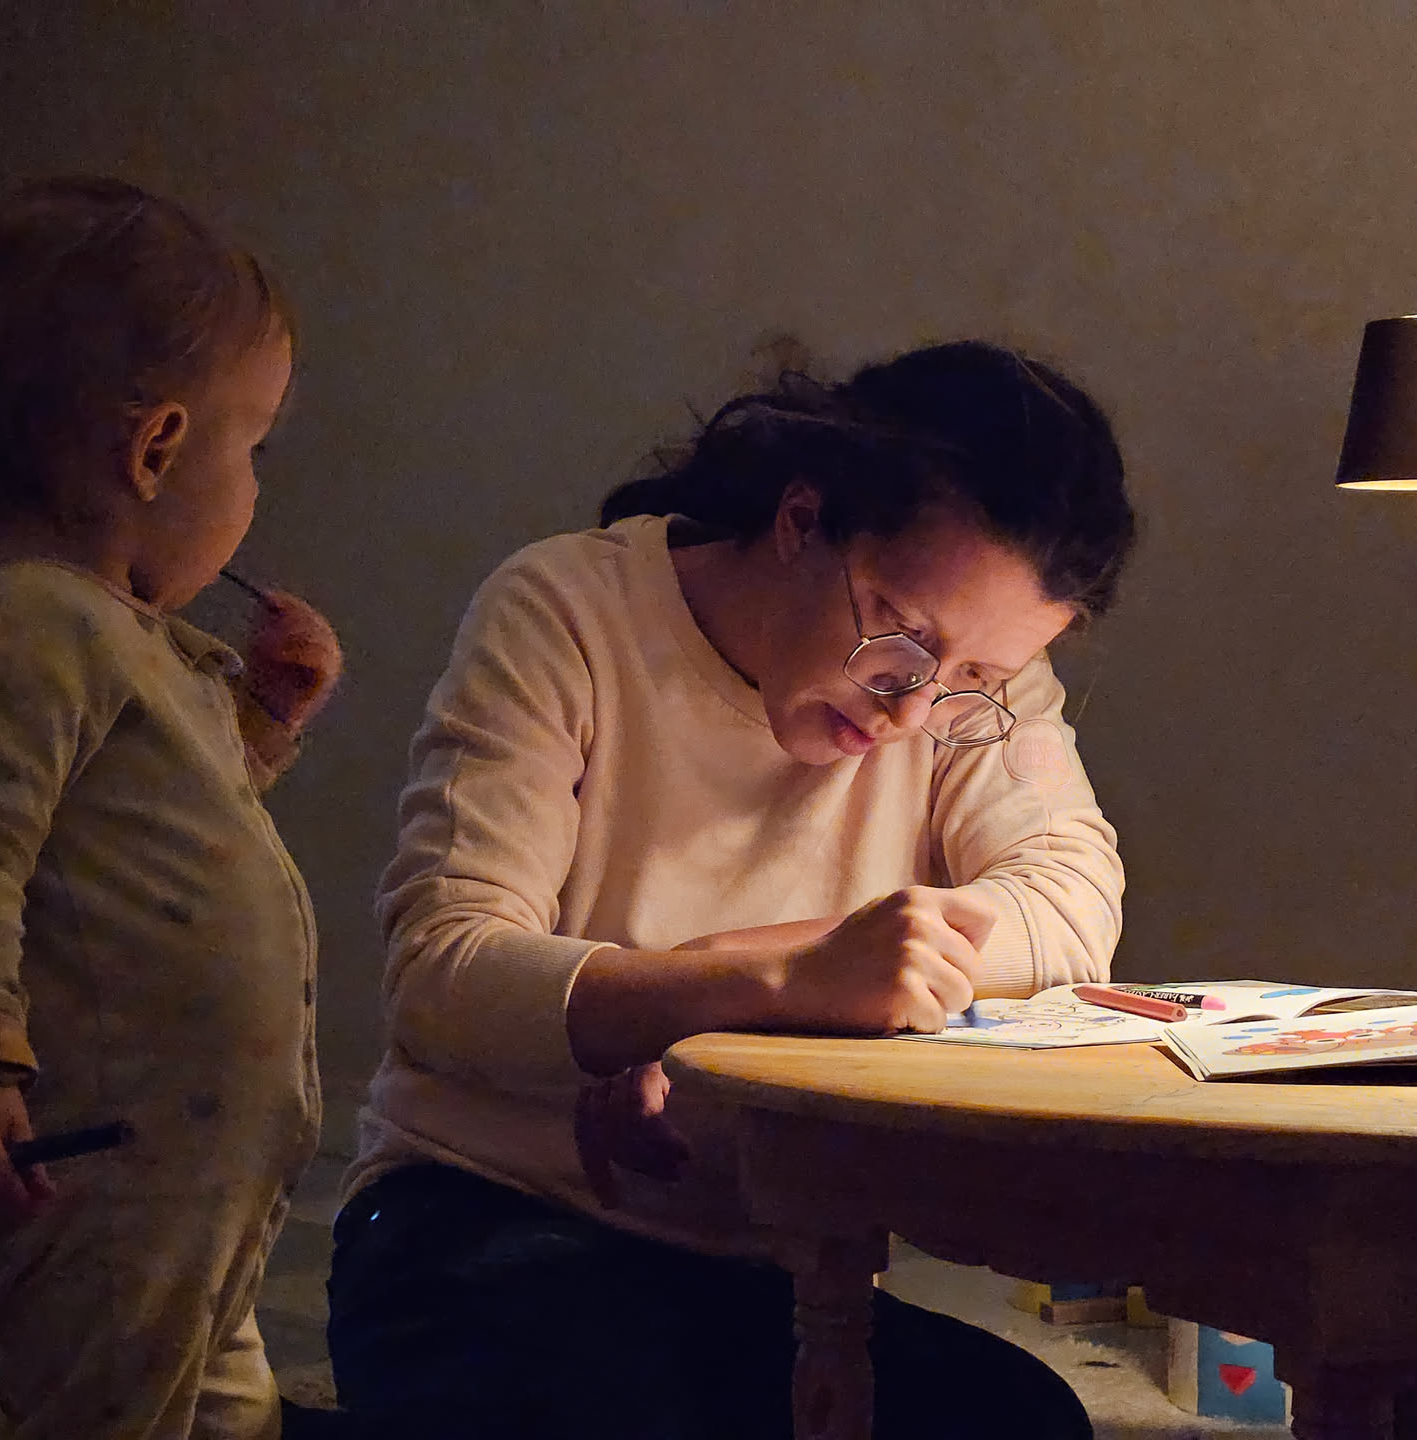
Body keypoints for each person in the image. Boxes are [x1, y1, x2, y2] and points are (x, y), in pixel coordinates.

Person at [330, 340, 1137, 1439]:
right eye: (902, 636)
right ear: (802, 518)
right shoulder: (570, 610)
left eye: (977, 678)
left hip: (765, 1263)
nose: (912, 710)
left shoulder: (966, 694)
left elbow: (1070, 911)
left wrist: (725, 989)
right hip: (477, 1214)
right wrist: (783, 983)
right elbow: (444, 976)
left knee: (1023, 1422)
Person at [0, 177, 343, 1440]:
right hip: (104, 1172)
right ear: (156, 450)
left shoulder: (141, 643)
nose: (256, 483)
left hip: (196, 1173)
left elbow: (159, 834)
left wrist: (264, 721)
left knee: (220, 1407)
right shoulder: (29, 620)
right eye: (254, 449)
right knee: (103, 1406)